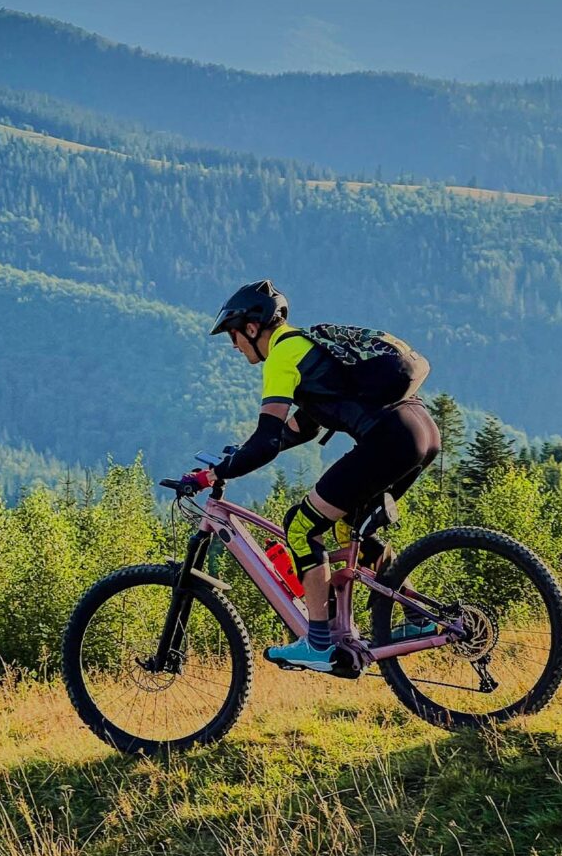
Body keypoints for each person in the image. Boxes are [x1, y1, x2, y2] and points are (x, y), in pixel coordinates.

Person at [185, 280, 441, 672]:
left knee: (301, 525)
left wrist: (214, 474)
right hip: (420, 431)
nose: (233, 345)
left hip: (390, 439)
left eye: (233, 335)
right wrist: (239, 455)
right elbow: (302, 426)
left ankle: (319, 642)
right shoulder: (307, 348)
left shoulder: (283, 356)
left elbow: (268, 440)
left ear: (252, 328)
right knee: (348, 529)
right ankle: (416, 615)